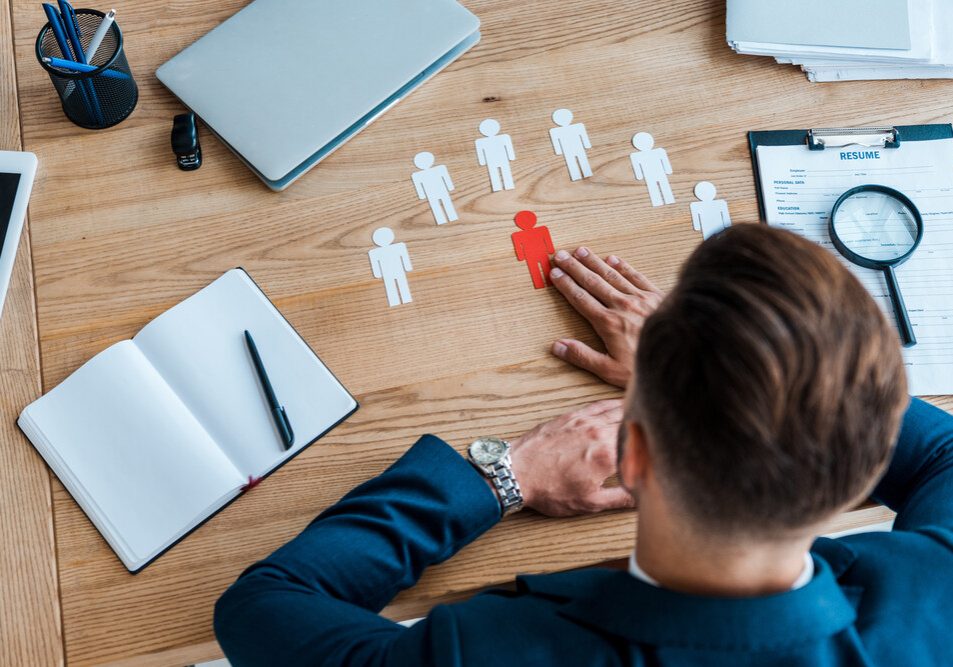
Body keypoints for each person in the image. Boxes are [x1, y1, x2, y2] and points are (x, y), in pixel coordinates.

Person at [216, 224, 953, 666]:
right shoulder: (937, 594)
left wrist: (506, 475)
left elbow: (261, 607)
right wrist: (717, 371)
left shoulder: (491, 652)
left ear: (631, 458)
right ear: (862, 471)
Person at [368, 227, 413, 307]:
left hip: (390, 272)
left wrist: (378, 274)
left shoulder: (375, 252)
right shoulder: (399, 247)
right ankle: (400, 299)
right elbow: (405, 258)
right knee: (397, 286)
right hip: (393, 271)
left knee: (393, 286)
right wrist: (407, 267)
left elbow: (376, 267)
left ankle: (399, 300)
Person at [511, 210, 556, 289]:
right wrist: (550, 250)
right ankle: (542, 284)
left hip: (534, 255)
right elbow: (547, 241)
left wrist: (521, 256)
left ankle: (543, 284)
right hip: (534, 254)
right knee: (537, 270)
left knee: (540, 269)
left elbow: (547, 240)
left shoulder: (517, 235)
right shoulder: (542, 229)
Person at [411, 152, 458, 226]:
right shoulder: (440, 169)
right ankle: (446, 218)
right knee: (442, 205)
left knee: (439, 205)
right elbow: (446, 179)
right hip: (437, 192)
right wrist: (450, 187)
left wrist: (422, 195)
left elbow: (445, 178)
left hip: (435, 192)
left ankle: (447, 217)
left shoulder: (417, 175)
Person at [630, 131, 675, 206]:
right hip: (651, 175)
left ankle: (667, 199)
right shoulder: (636, 156)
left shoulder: (660, 151)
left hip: (656, 174)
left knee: (661, 187)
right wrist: (668, 170)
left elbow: (665, 161)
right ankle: (661, 201)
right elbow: (637, 167)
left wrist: (668, 170)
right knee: (655, 189)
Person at [550, 108, 593, 181]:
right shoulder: (555, 131)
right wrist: (587, 145)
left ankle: (585, 173)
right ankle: (578, 175)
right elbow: (556, 142)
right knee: (574, 162)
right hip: (569, 149)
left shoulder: (578, 126)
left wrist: (587, 145)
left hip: (573, 148)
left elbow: (583, 136)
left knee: (578, 161)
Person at [475, 118, 516, 192]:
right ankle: (499, 186)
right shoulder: (480, 141)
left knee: (500, 172)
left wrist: (511, 156)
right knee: (496, 173)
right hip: (494, 160)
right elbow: (480, 152)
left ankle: (506, 185)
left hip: (496, 160)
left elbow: (509, 148)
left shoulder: (504, 137)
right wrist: (511, 156)